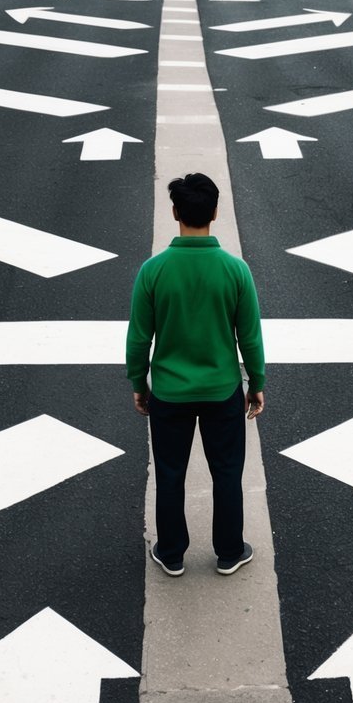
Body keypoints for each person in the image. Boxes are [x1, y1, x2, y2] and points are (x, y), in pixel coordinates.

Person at [126, 173, 266, 577]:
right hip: (222, 390)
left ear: (175, 212)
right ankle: (228, 551)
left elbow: (138, 339)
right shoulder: (235, 271)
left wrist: (139, 384)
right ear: (215, 212)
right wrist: (256, 384)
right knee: (227, 473)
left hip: (169, 393)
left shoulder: (153, 271)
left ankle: (170, 553)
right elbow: (250, 338)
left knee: (170, 474)